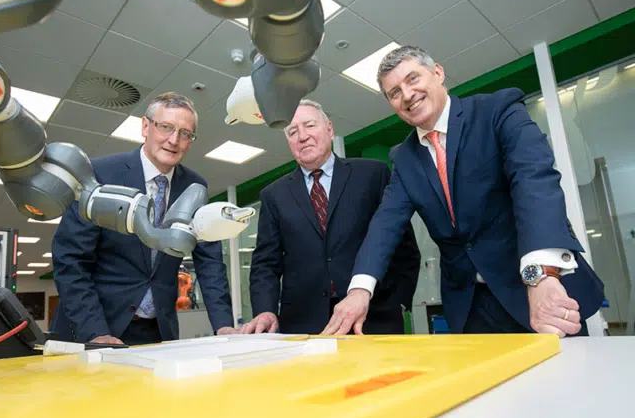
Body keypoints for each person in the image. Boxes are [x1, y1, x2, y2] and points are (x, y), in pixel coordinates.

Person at [327, 46, 604, 337]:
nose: (407, 95)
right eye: (394, 92)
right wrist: (360, 290)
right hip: (470, 307)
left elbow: (533, 180)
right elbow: (385, 224)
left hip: (537, 289)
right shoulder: (403, 157)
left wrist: (541, 275)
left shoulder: (497, 110)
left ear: (437, 73)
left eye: (412, 79)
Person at [50, 92, 237, 345]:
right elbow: (71, 259)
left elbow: (210, 263)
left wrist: (224, 325)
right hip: (94, 326)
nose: (174, 140)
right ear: (145, 126)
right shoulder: (100, 174)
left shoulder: (195, 188)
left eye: (185, 133)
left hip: (157, 330)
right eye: (166, 127)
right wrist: (95, 332)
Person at [242, 99, 421, 335]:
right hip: (304, 325)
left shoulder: (372, 174)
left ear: (329, 129)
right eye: (293, 132)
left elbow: (403, 244)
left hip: (374, 317)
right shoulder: (273, 195)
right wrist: (265, 309)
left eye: (309, 126)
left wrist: (399, 301)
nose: (302, 136)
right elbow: (265, 264)